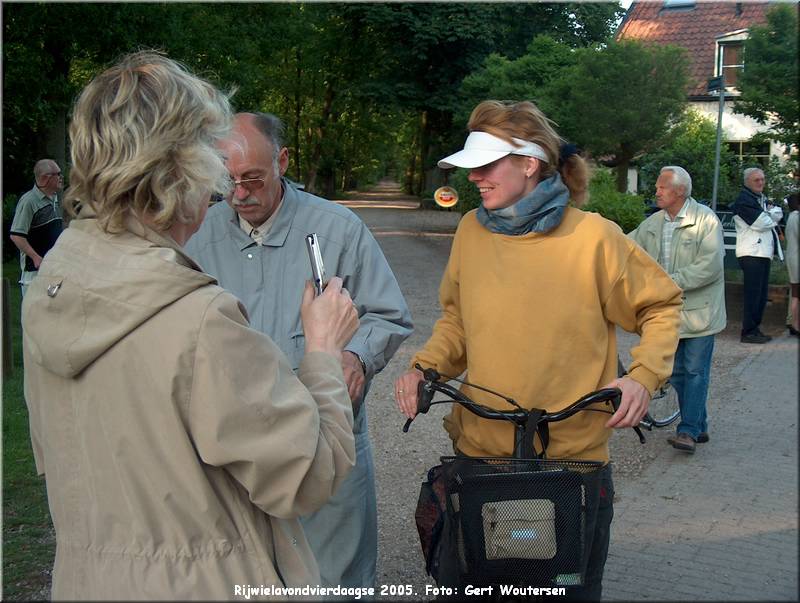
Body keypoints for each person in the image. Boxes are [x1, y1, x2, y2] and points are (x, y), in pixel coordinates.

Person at [21, 51, 361, 600]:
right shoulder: (197, 319)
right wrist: (322, 352)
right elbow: (306, 474)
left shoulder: (53, 287)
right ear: (180, 169)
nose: (223, 185)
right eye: (212, 158)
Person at [394, 100, 682, 600]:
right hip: (479, 457)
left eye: (486, 165)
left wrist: (642, 376)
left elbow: (661, 306)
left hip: (570, 464)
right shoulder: (471, 230)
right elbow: (458, 322)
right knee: (470, 585)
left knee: (563, 590)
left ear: (530, 163)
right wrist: (424, 367)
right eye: (471, 167)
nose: (475, 178)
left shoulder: (594, 237)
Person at [185, 112, 413, 588]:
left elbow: (387, 313)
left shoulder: (339, 230)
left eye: (253, 179)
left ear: (283, 161)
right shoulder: (197, 238)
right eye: (228, 181)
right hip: (236, 453)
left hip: (324, 440)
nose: (240, 194)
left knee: (334, 584)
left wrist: (357, 357)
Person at [629, 166, 726, 453]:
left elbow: (710, 267)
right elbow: (624, 247)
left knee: (694, 371)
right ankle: (699, 424)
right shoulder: (653, 224)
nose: (656, 191)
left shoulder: (705, 220)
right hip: (669, 313)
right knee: (677, 374)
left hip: (700, 313)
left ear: (680, 191)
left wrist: (669, 283)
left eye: (662, 187)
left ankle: (687, 431)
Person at [732, 167, 783, 343]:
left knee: (760, 294)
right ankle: (748, 332)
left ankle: (754, 329)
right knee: (753, 294)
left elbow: (777, 213)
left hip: (762, 252)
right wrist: (771, 215)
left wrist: (770, 215)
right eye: (756, 180)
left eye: (762, 179)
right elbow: (761, 222)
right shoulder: (744, 200)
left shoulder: (759, 198)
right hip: (751, 252)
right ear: (747, 182)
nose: (761, 183)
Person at [9, 158, 64, 296]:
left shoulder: (55, 199)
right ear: (45, 178)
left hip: (54, 269)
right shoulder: (29, 201)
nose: (61, 177)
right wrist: (35, 257)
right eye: (57, 174)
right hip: (34, 272)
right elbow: (16, 235)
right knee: (34, 315)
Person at [785, 193, 799, 336]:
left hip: (792, 258)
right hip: (796, 259)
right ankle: (795, 324)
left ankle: (792, 321)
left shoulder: (791, 217)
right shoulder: (797, 217)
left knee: (794, 293)